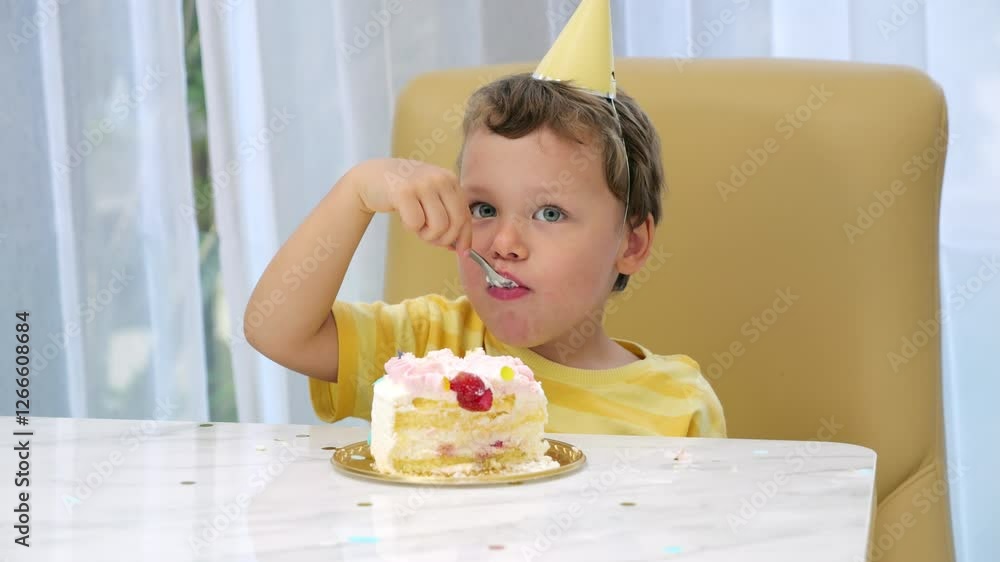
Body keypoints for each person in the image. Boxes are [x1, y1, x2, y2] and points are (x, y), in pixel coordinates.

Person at [244, 1, 725, 438]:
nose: (505, 243)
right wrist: (356, 192)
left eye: (550, 213)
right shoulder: (426, 348)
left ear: (633, 244)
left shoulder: (679, 404)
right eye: (484, 209)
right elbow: (275, 331)